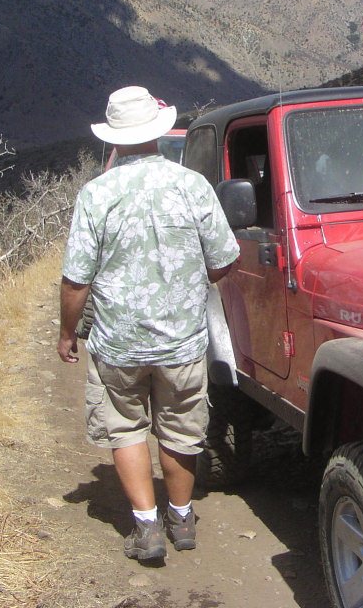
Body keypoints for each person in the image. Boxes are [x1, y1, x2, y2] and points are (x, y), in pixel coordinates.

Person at [57, 85, 239, 562]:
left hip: (119, 343)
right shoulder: (192, 185)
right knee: (181, 428)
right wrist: (191, 279)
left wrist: (67, 333)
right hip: (182, 341)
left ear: (114, 138)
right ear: (157, 132)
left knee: (126, 428)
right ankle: (181, 517)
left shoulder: (96, 194)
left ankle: (146, 527)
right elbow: (223, 260)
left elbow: (76, 280)